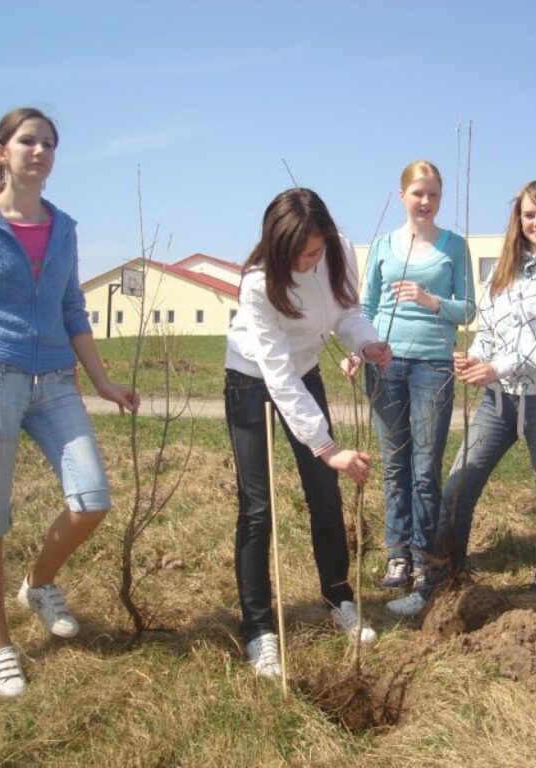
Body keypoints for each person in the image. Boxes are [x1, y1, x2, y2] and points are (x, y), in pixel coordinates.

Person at [0, 107, 140, 698]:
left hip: (56, 380)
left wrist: (102, 383)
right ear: (3, 152)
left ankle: (39, 583)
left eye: (49, 143)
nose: (40, 151)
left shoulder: (64, 227)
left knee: (92, 498)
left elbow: (73, 310)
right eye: (28, 141)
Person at [389, 179, 536, 616]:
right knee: (459, 487)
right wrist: (473, 359)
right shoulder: (504, 267)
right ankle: (438, 589)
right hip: (497, 403)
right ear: (518, 219)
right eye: (529, 214)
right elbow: (489, 332)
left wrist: (495, 367)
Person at [224, 187, 392, 677]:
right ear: (275, 245)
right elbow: (276, 375)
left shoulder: (337, 249)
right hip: (252, 378)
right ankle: (259, 628)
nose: (307, 261)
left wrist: (367, 343)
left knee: (325, 494)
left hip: (306, 369)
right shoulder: (257, 283)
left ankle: (337, 596)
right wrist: (326, 446)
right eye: (297, 254)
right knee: (258, 507)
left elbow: (346, 312)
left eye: (314, 252)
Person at [359, 160, 475, 594]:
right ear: (402, 195)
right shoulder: (384, 245)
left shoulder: (454, 247)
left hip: (432, 365)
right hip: (385, 365)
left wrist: (430, 300)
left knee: (425, 467)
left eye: (433, 195)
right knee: (395, 465)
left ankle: (425, 556)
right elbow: (366, 307)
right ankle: (398, 554)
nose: (425, 202)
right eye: (418, 193)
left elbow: (468, 309)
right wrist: (361, 349)